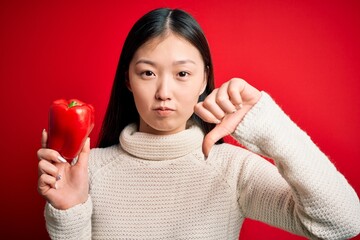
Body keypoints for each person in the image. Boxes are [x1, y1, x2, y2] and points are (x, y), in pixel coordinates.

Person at [37, 8, 360, 240]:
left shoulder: (233, 169)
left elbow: (342, 223)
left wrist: (269, 125)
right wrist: (70, 211)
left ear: (204, 78)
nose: (164, 92)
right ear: (128, 80)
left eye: (182, 74)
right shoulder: (87, 169)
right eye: (147, 72)